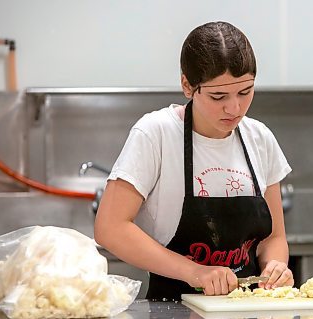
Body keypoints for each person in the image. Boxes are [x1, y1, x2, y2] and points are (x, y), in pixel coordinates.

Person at [94, 21, 293, 301]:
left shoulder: (259, 138)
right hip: (171, 314)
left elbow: (273, 238)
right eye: (218, 96)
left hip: (246, 312)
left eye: (245, 92)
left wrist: (276, 266)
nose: (234, 108)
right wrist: (196, 272)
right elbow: (110, 228)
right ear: (187, 85)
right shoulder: (156, 134)